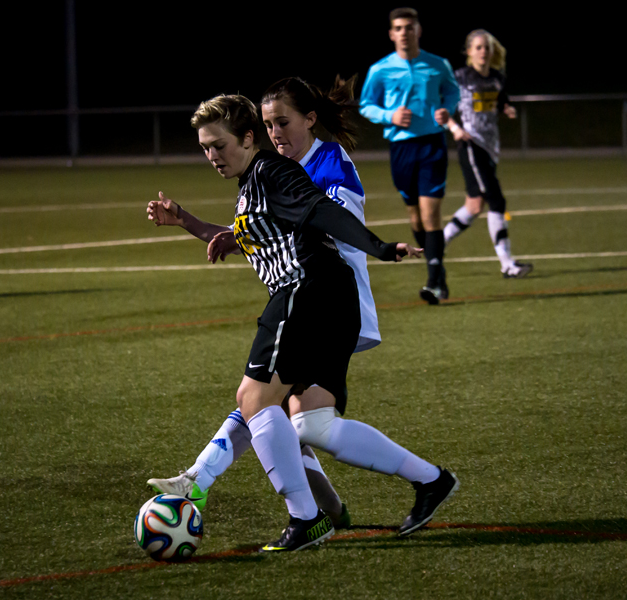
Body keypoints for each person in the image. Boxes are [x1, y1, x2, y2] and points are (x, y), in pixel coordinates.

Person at [147, 87, 458, 549]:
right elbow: (256, 231)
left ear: (248, 138)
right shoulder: (255, 180)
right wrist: (189, 222)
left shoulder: (282, 170)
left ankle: (285, 510)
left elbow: (322, 212)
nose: (212, 156)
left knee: (255, 398)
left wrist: (380, 247)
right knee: (312, 425)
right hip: (328, 300)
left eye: (219, 145)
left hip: (309, 291)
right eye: (205, 149)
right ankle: (426, 481)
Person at [359, 7, 460, 304]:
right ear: (391, 34)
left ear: (418, 31)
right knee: (415, 217)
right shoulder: (380, 70)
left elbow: (452, 93)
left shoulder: (438, 64)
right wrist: (389, 114)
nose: (404, 33)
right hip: (401, 149)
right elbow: (366, 105)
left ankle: (433, 282)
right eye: (399, 28)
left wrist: (446, 110)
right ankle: (438, 271)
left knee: (431, 214)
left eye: (409, 27)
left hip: (432, 144)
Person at [443, 29, 533, 278]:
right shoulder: (459, 78)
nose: (483, 51)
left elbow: (500, 98)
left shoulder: (496, 77)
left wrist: (507, 108)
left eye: (487, 47)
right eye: (479, 47)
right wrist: (454, 128)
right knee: (497, 200)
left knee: (473, 207)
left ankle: (437, 245)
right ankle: (507, 264)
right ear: (469, 51)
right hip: (471, 146)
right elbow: (441, 107)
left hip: (490, 148)